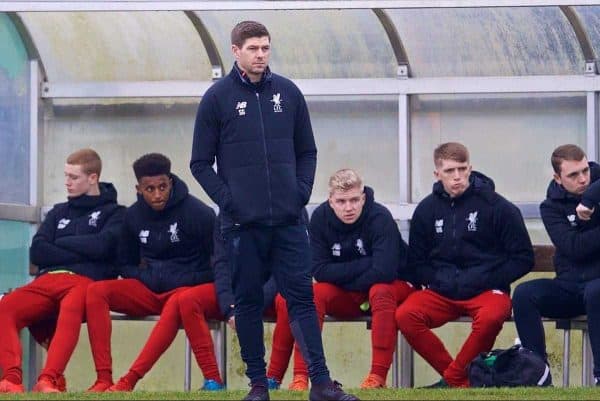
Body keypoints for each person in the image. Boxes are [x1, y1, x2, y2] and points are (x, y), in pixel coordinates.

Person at [191, 20, 358, 401]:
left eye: (266, 48)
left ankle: (321, 383)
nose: (261, 55)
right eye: (253, 49)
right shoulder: (216, 99)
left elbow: (307, 151)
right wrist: (230, 201)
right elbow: (200, 162)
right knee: (248, 302)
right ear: (235, 51)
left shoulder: (288, 93)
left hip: (288, 222)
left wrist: (300, 193)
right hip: (241, 226)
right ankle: (256, 385)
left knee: (301, 300)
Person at [396, 142, 534, 388]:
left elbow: (523, 258)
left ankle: (453, 380)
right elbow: (415, 263)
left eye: (462, 169)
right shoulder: (427, 210)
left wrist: (487, 278)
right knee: (405, 315)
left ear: (470, 168)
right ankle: (460, 380)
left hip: (487, 288)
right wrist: (439, 279)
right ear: (437, 174)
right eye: (450, 171)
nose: (457, 177)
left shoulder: (497, 207)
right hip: (443, 290)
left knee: (491, 317)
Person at [85, 153, 221, 392]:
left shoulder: (199, 213)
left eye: (162, 187)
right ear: (138, 188)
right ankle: (103, 378)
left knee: (181, 301)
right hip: (150, 289)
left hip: (185, 290)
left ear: (170, 181)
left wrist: (183, 280)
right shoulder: (133, 216)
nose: (157, 194)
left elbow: (219, 263)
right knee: (97, 291)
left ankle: (130, 380)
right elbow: (123, 263)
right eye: (149, 189)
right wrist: (147, 278)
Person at [0, 148, 125, 393]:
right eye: (65, 176)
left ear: (93, 178)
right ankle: (12, 380)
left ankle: (49, 378)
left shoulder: (115, 213)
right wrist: (84, 246)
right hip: (48, 280)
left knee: (73, 304)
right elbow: (37, 252)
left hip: (84, 283)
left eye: (74, 177)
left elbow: (103, 248)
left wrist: (60, 243)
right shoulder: (58, 212)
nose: (67, 182)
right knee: (6, 307)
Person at [282, 168, 415, 390]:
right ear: (331, 201)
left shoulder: (380, 217)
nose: (349, 207)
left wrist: (343, 275)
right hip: (350, 292)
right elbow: (320, 270)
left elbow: (385, 271)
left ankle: (377, 377)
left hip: (393, 288)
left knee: (380, 290)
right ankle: (301, 377)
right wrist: (367, 264)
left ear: (363, 198)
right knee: (313, 293)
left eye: (354, 200)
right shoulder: (319, 218)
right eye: (341, 201)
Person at [513, 144, 600, 385]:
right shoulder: (550, 207)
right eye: (573, 175)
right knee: (524, 294)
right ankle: (538, 375)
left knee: (596, 291)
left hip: (597, 286)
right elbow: (574, 248)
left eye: (585, 171)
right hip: (569, 286)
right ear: (557, 178)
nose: (583, 179)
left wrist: (591, 197)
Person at [213, 213, 296, 390]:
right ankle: (213, 381)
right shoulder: (226, 214)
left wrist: (250, 304)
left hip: (273, 292)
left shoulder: (286, 206)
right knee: (186, 300)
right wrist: (230, 308)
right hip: (240, 294)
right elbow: (221, 263)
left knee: (291, 301)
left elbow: (285, 266)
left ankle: (274, 378)